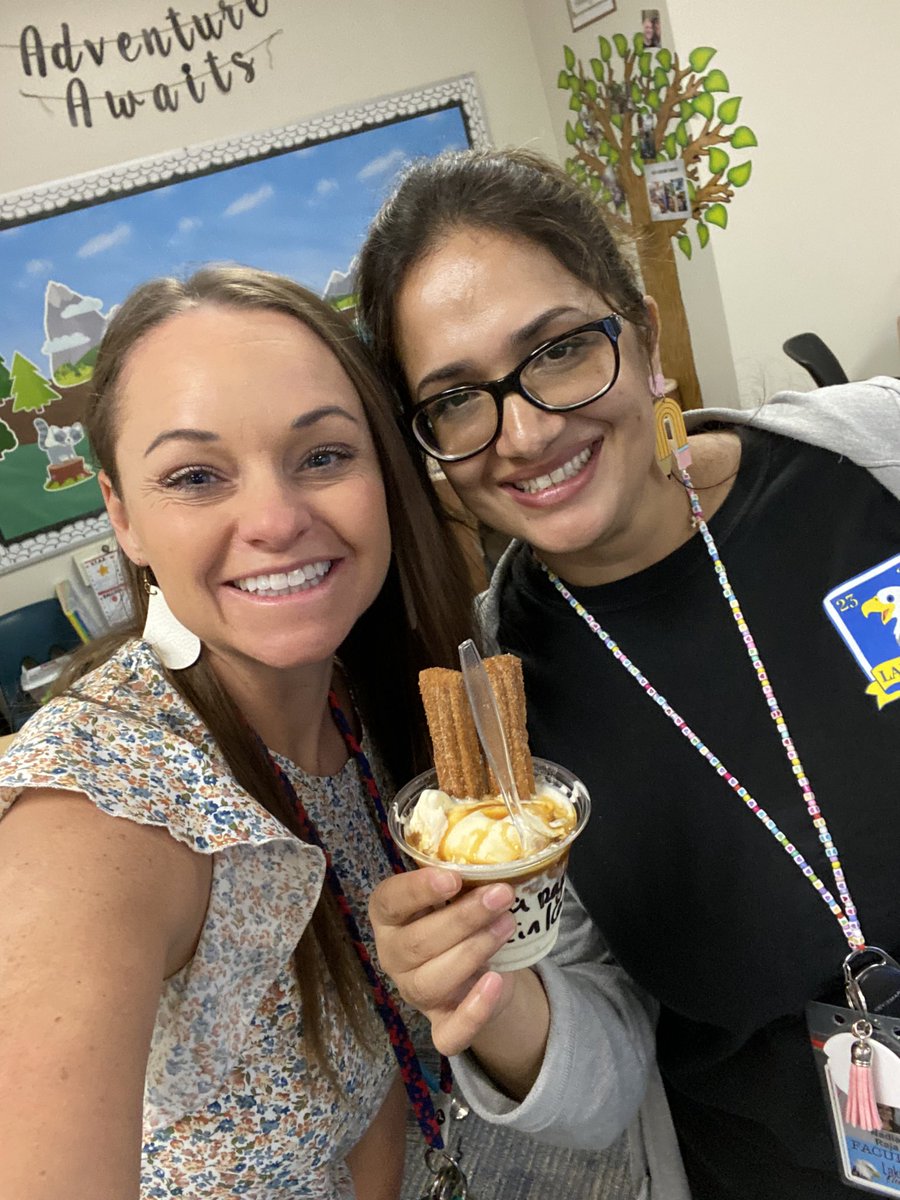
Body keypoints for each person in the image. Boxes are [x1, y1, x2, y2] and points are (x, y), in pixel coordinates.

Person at [354, 147, 900, 1200]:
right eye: (457, 399)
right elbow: (602, 1069)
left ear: (643, 333)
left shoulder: (871, 466)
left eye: (559, 350)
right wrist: (490, 999)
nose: (525, 431)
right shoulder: (504, 734)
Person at [0, 266, 476, 1199]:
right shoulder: (95, 812)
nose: (275, 520)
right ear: (123, 516)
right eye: (195, 476)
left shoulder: (362, 703)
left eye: (324, 455)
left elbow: (365, 1064)